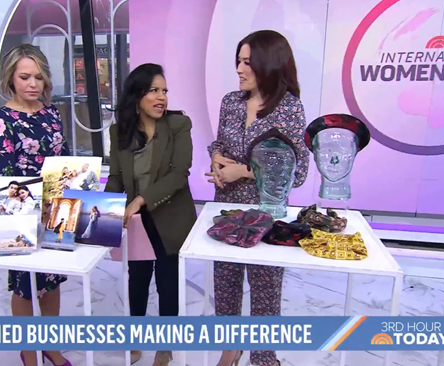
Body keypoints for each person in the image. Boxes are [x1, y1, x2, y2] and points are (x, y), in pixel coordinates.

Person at [205, 30, 310, 366]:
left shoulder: (290, 109)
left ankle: (263, 357)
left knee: (265, 289)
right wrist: (217, 160)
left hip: (267, 214)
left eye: (247, 62)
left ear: (269, 63)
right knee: (226, 284)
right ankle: (229, 349)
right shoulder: (230, 102)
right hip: (228, 208)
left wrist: (245, 172)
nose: (239, 68)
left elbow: (299, 171)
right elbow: (220, 142)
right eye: (238, 60)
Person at [105, 63, 197, 366]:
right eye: (153, 91)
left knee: (168, 282)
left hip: (171, 216)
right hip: (136, 220)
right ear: (136, 97)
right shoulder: (119, 131)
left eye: (165, 91)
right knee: (138, 280)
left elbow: (179, 174)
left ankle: (165, 348)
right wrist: (107, 207)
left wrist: (141, 199)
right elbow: (117, 178)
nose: (162, 98)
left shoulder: (178, 126)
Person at [0, 43, 72, 366]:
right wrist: (40, 191)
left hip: (56, 207)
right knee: (24, 285)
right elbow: (5, 172)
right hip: (19, 208)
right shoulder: (1, 118)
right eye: (25, 77)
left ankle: (50, 345)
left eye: (38, 77)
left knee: (51, 280)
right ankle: (29, 350)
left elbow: (63, 157)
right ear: (11, 78)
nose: (33, 84)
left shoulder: (52, 114)